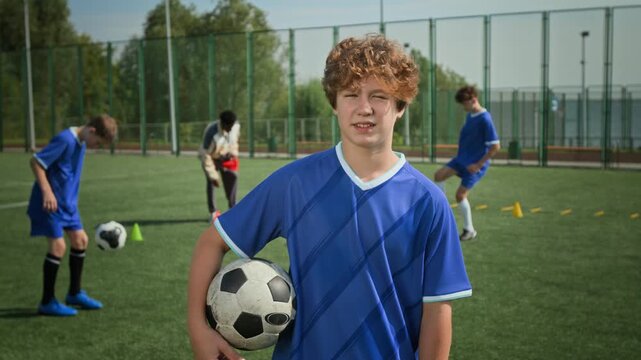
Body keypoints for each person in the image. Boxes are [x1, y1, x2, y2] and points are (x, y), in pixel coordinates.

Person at [188, 35, 472, 360]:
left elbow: (437, 314)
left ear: (401, 106)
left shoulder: (428, 203)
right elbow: (211, 243)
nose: (364, 107)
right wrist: (199, 329)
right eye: (351, 94)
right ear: (334, 104)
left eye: (379, 96)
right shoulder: (295, 183)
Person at [28, 114, 118, 316]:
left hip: (68, 205)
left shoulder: (81, 141)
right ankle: (47, 301)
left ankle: (75, 293)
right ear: (91, 130)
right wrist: (47, 191)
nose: (96, 146)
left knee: (81, 240)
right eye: (98, 142)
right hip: (51, 203)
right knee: (58, 246)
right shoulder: (65, 139)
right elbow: (36, 162)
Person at [434, 85, 500, 241]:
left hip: (474, 165)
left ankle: (469, 230)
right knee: (439, 175)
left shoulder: (485, 119)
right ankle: (441, 215)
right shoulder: (471, 116)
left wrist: (478, 165)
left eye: (464, 103)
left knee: (460, 195)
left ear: (473, 99)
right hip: (461, 160)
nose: (463, 107)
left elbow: (495, 146)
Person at [198, 110, 240, 222]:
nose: (230, 129)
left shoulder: (235, 126)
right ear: (222, 123)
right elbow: (205, 155)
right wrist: (213, 176)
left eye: (232, 126)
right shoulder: (211, 133)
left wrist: (232, 153)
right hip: (210, 158)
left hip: (224, 156)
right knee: (211, 183)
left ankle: (233, 208)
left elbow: (234, 141)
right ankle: (213, 212)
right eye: (228, 126)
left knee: (233, 176)